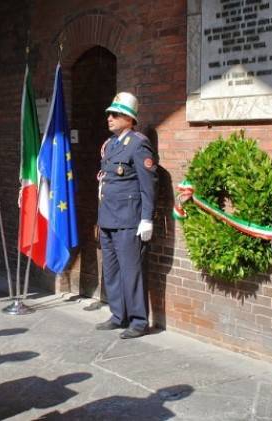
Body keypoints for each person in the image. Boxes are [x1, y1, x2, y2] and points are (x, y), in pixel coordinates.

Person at [95, 92, 157, 339]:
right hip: (109, 217)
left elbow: (148, 184)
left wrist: (147, 218)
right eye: (109, 114)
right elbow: (104, 184)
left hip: (128, 219)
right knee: (110, 271)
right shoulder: (110, 145)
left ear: (129, 118)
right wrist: (99, 220)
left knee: (131, 271)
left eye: (116, 114)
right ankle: (118, 314)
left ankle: (139, 321)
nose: (110, 118)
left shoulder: (138, 143)